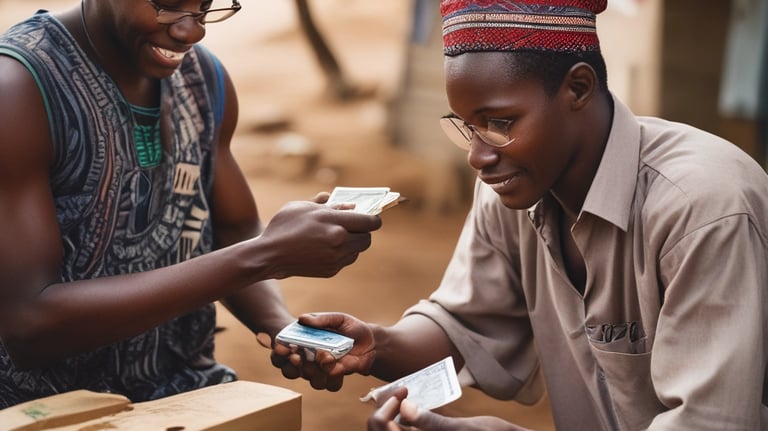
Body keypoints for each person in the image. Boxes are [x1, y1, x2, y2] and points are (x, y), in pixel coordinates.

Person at [272, 0, 768, 429]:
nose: (478, 156)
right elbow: (467, 324)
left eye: (500, 122)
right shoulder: (515, 186)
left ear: (577, 89)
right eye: (466, 126)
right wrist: (375, 345)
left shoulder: (704, 208)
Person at [0, 0, 383, 408]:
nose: (192, 31)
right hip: (47, 410)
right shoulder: (19, 89)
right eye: (166, 5)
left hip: (186, 395)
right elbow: (29, 324)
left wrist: (284, 329)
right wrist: (266, 254)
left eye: (204, 7)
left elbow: (232, 229)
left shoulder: (204, 79)